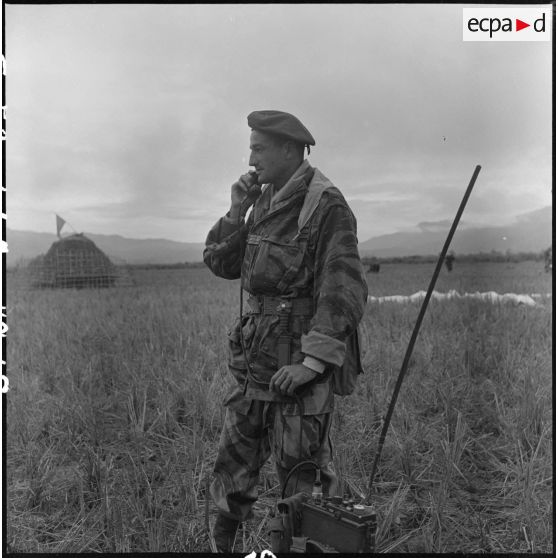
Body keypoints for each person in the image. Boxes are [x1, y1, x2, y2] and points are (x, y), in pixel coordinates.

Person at [203, 110, 368, 552]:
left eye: (258, 148)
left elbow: (343, 290)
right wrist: (237, 211)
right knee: (232, 469)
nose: (251, 157)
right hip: (254, 367)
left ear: (289, 150)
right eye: (251, 147)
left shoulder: (325, 205)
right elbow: (220, 263)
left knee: (302, 482)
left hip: (297, 369)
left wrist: (311, 364)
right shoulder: (263, 199)